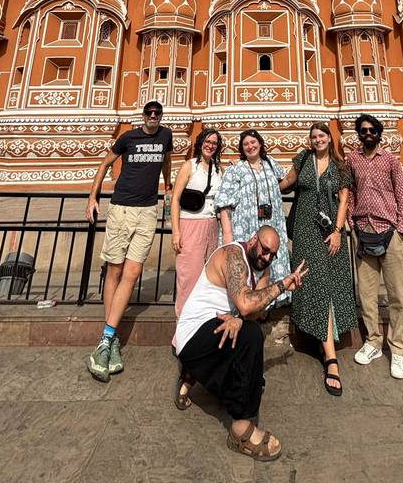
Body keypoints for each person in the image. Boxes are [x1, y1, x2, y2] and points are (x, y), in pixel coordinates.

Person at [174, 226, 307, 462]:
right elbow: (246, 305)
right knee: (252, 337)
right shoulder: (234, 256)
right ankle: (241, 431)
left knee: (253, 368)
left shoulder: (259, 268)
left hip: (214, 327)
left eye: (272, 255)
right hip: (194, 335)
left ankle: (193, 375)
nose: (266, 257)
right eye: (264, 250)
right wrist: (282, 285)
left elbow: (252, 313)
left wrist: (239, 317)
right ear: (254, 240)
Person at [85, 99, 173, 381]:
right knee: (115, 270)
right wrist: (92, 197)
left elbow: (167, 162)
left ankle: (107, 338)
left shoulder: (166, 136)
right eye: (149, 112)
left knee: (133, 272)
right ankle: (108, 338)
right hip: (121, 207)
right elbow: (104, 164)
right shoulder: (128, 137)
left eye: (157, 113)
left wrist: (168, 187)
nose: (153, 116)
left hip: (147, 210)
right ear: (143, 115)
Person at [279, 122, 357, 396]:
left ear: (329, 138)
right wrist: (258, 184)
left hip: (330, 232)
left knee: (330, 283)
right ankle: (330, 357)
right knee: (315, 282)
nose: (317, 140)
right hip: (305, 229)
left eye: (322, 136)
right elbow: (286, 183)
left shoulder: (341, 165)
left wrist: (337, 231)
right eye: (313, 137)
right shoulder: (302, 158)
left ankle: (327, 346)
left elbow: (345, 199)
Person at [346, 114, 403, 380]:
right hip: (363, 230)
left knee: (396, 295)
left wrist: (402, 226)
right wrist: (351, 221)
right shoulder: (352, 159)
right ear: (359, 134)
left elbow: (402, 192)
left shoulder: (391, 161)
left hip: (390, 231)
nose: (368, 133)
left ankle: (398, 350)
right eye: (363, 130)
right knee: (367, 294)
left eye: (372, 130)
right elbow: (349, 192)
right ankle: (373, 342)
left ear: (379, 133)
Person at [214, 129, 291, 307]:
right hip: (248, 227)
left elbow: (285, 182)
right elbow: (224, 203)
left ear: (260, 143)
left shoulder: (271, 163)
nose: (250, 146)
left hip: (271, 224)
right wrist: (227, 235)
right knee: (251, 264)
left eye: (253, 142)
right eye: (246, 144)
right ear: (242, 148)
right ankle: (250, 307)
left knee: (270, 260)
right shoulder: (236, 170)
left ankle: (268, 304)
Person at [171, 127, 224, 319]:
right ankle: (182, 332)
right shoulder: (189, 166)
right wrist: (176, 232)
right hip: (190, 225)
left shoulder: (219, 168)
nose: (210, 146)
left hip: (212, 225)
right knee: (189, 279)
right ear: (200, 143)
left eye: (214, 143)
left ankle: (201, 324)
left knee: (208, 279)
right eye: (207, 142)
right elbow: (175, 199)